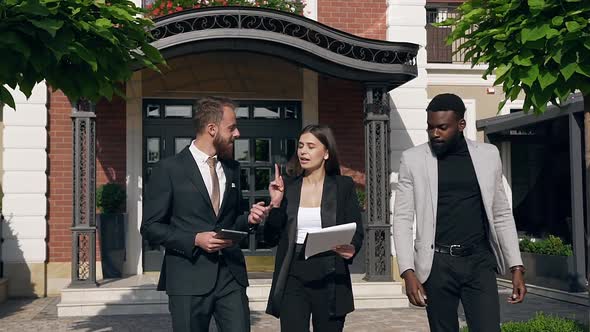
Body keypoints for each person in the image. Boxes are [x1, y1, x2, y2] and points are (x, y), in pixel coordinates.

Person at [392, 93, 527, 332]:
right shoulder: (412, 160)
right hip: (437, 264)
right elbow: (402, 219)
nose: (435, 134)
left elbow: (501, 213)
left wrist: (516, 266)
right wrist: (407, 271)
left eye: (442, 127)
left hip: (479, 262)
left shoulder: (488, 155)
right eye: (430, 128)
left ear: (461, 125)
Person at [140, 96, 259, 332]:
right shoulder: (169, 169)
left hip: (230, 277)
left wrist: (251, 219)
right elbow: (151, 227)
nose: (237, 134)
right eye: (232, 127)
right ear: (212, 129)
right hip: (187, 278)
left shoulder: (233, 169)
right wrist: (194, 239)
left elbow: (233, 220)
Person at [248, 124, 364, 332]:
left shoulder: (342, 186)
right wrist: (275, 204)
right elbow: (270, 237)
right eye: (301, 146)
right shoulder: (288, 187)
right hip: (293, 272)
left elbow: (356, 229)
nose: (303, 151)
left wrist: (352, 248)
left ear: (326, 152)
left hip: (330, 273)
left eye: (311, 146)